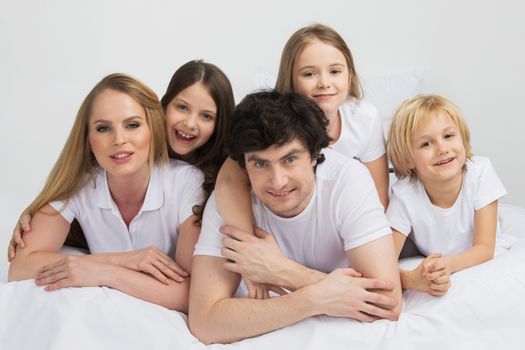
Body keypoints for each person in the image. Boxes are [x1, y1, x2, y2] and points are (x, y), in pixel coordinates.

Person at [188, 91, 402, 344]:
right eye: (260, 164)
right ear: (243, 165)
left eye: (289, 159)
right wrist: (311, 300)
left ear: (313, 155)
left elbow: (387, 304)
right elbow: (204, 322)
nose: (278, 181)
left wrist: (281, 271)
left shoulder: (348, 181)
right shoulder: (229, 203)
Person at [214, 24, 389, 297]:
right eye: (309, 74)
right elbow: (228, 181)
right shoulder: (272, 127)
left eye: (335, 71)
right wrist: (252, 252)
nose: (324, 82)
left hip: (348, 224)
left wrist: (364, 246)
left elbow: (379, 195)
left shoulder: (363, 118)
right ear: (290, 82)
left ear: (350, 75)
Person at [8, 60, 235, 269]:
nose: (190, 123)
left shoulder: (203, 179)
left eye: (206, 116)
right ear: (161, 110)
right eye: (182, 107)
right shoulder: (95, 173)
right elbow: (22, 263)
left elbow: (190, 287)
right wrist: (37, 211)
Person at [8, 73, 204, 311]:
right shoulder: (80, 184)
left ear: (153, 128)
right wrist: (119, 261)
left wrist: (105, 272)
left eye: (132, 125)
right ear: (88, 138)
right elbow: (20, 267)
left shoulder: (187, 182)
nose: (119, 139)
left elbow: (194, 294)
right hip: (102, 314)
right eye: (103, 128)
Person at [386, 94, 509, 296]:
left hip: (479, 251)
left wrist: (448, 265)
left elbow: (485, 248)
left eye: (449, 136)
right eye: (426, 144)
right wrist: (412, 280)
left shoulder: (480, 173)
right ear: (408, 159)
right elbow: (382, 263)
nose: (442, 149)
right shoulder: (404, 195)